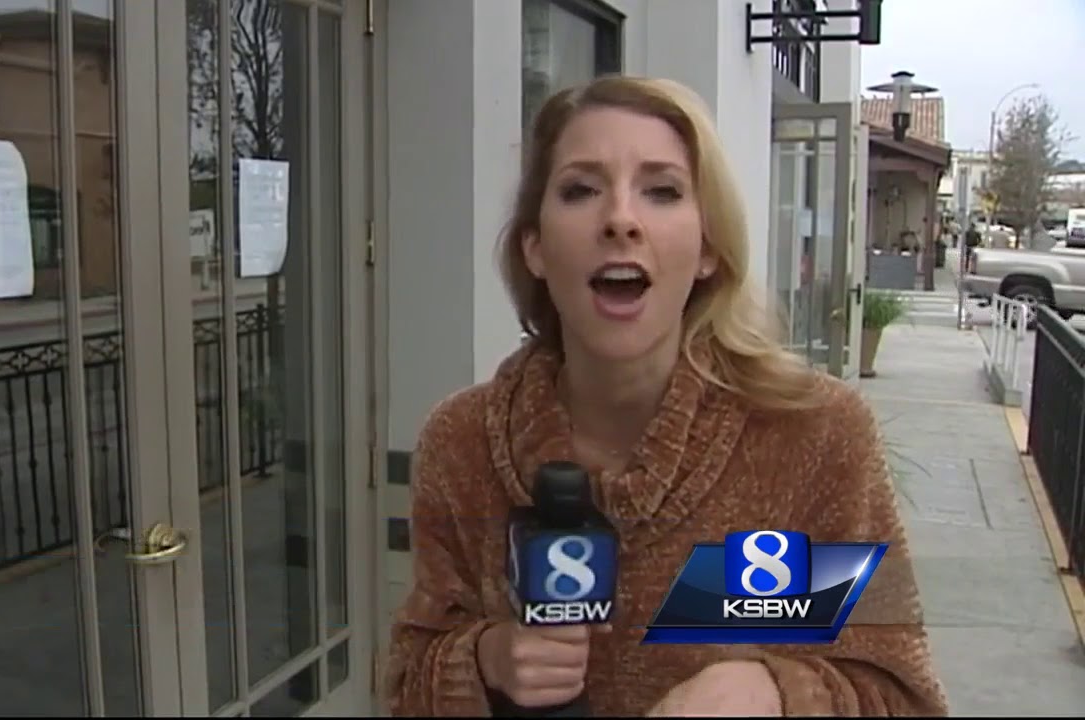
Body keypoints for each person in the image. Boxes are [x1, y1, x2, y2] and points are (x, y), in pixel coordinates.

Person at [381, 76, 948, 717]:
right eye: (580, 190)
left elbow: (903, 698)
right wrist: (485, 661)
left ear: (708, 247)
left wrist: (777, 694)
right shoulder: (461, 444)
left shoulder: (814, 436)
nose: (620, 219)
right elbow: (406, 685)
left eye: (662, 191)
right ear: (535, 247)